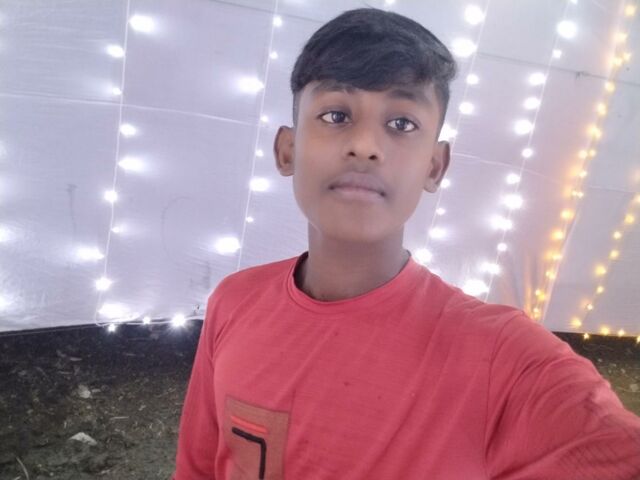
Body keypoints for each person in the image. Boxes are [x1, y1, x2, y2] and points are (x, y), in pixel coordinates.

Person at [173, 7, 640, 479]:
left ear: (435, 166)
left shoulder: (499, 356)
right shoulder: (234, 302)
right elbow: (197, 467)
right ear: (287, 150)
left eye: (401, 124)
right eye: (336, 114)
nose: (365, 145)